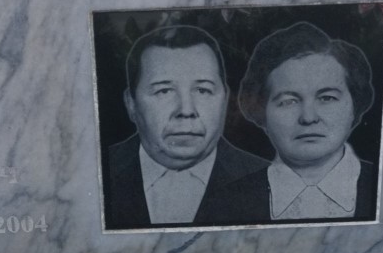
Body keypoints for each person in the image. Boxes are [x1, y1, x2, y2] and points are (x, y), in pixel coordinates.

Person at [103, 23, 268, 229]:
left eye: (203, 90)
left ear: (225, 100)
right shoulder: (96, 173)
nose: (186, 110)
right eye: (164, 91)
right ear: (131, 104)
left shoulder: (270, 182)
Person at [227, 21, 378, 223]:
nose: (308, 118)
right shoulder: (225, 204)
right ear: (261, 112)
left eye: (327, 98)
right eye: (288, 101)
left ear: (355, 105)